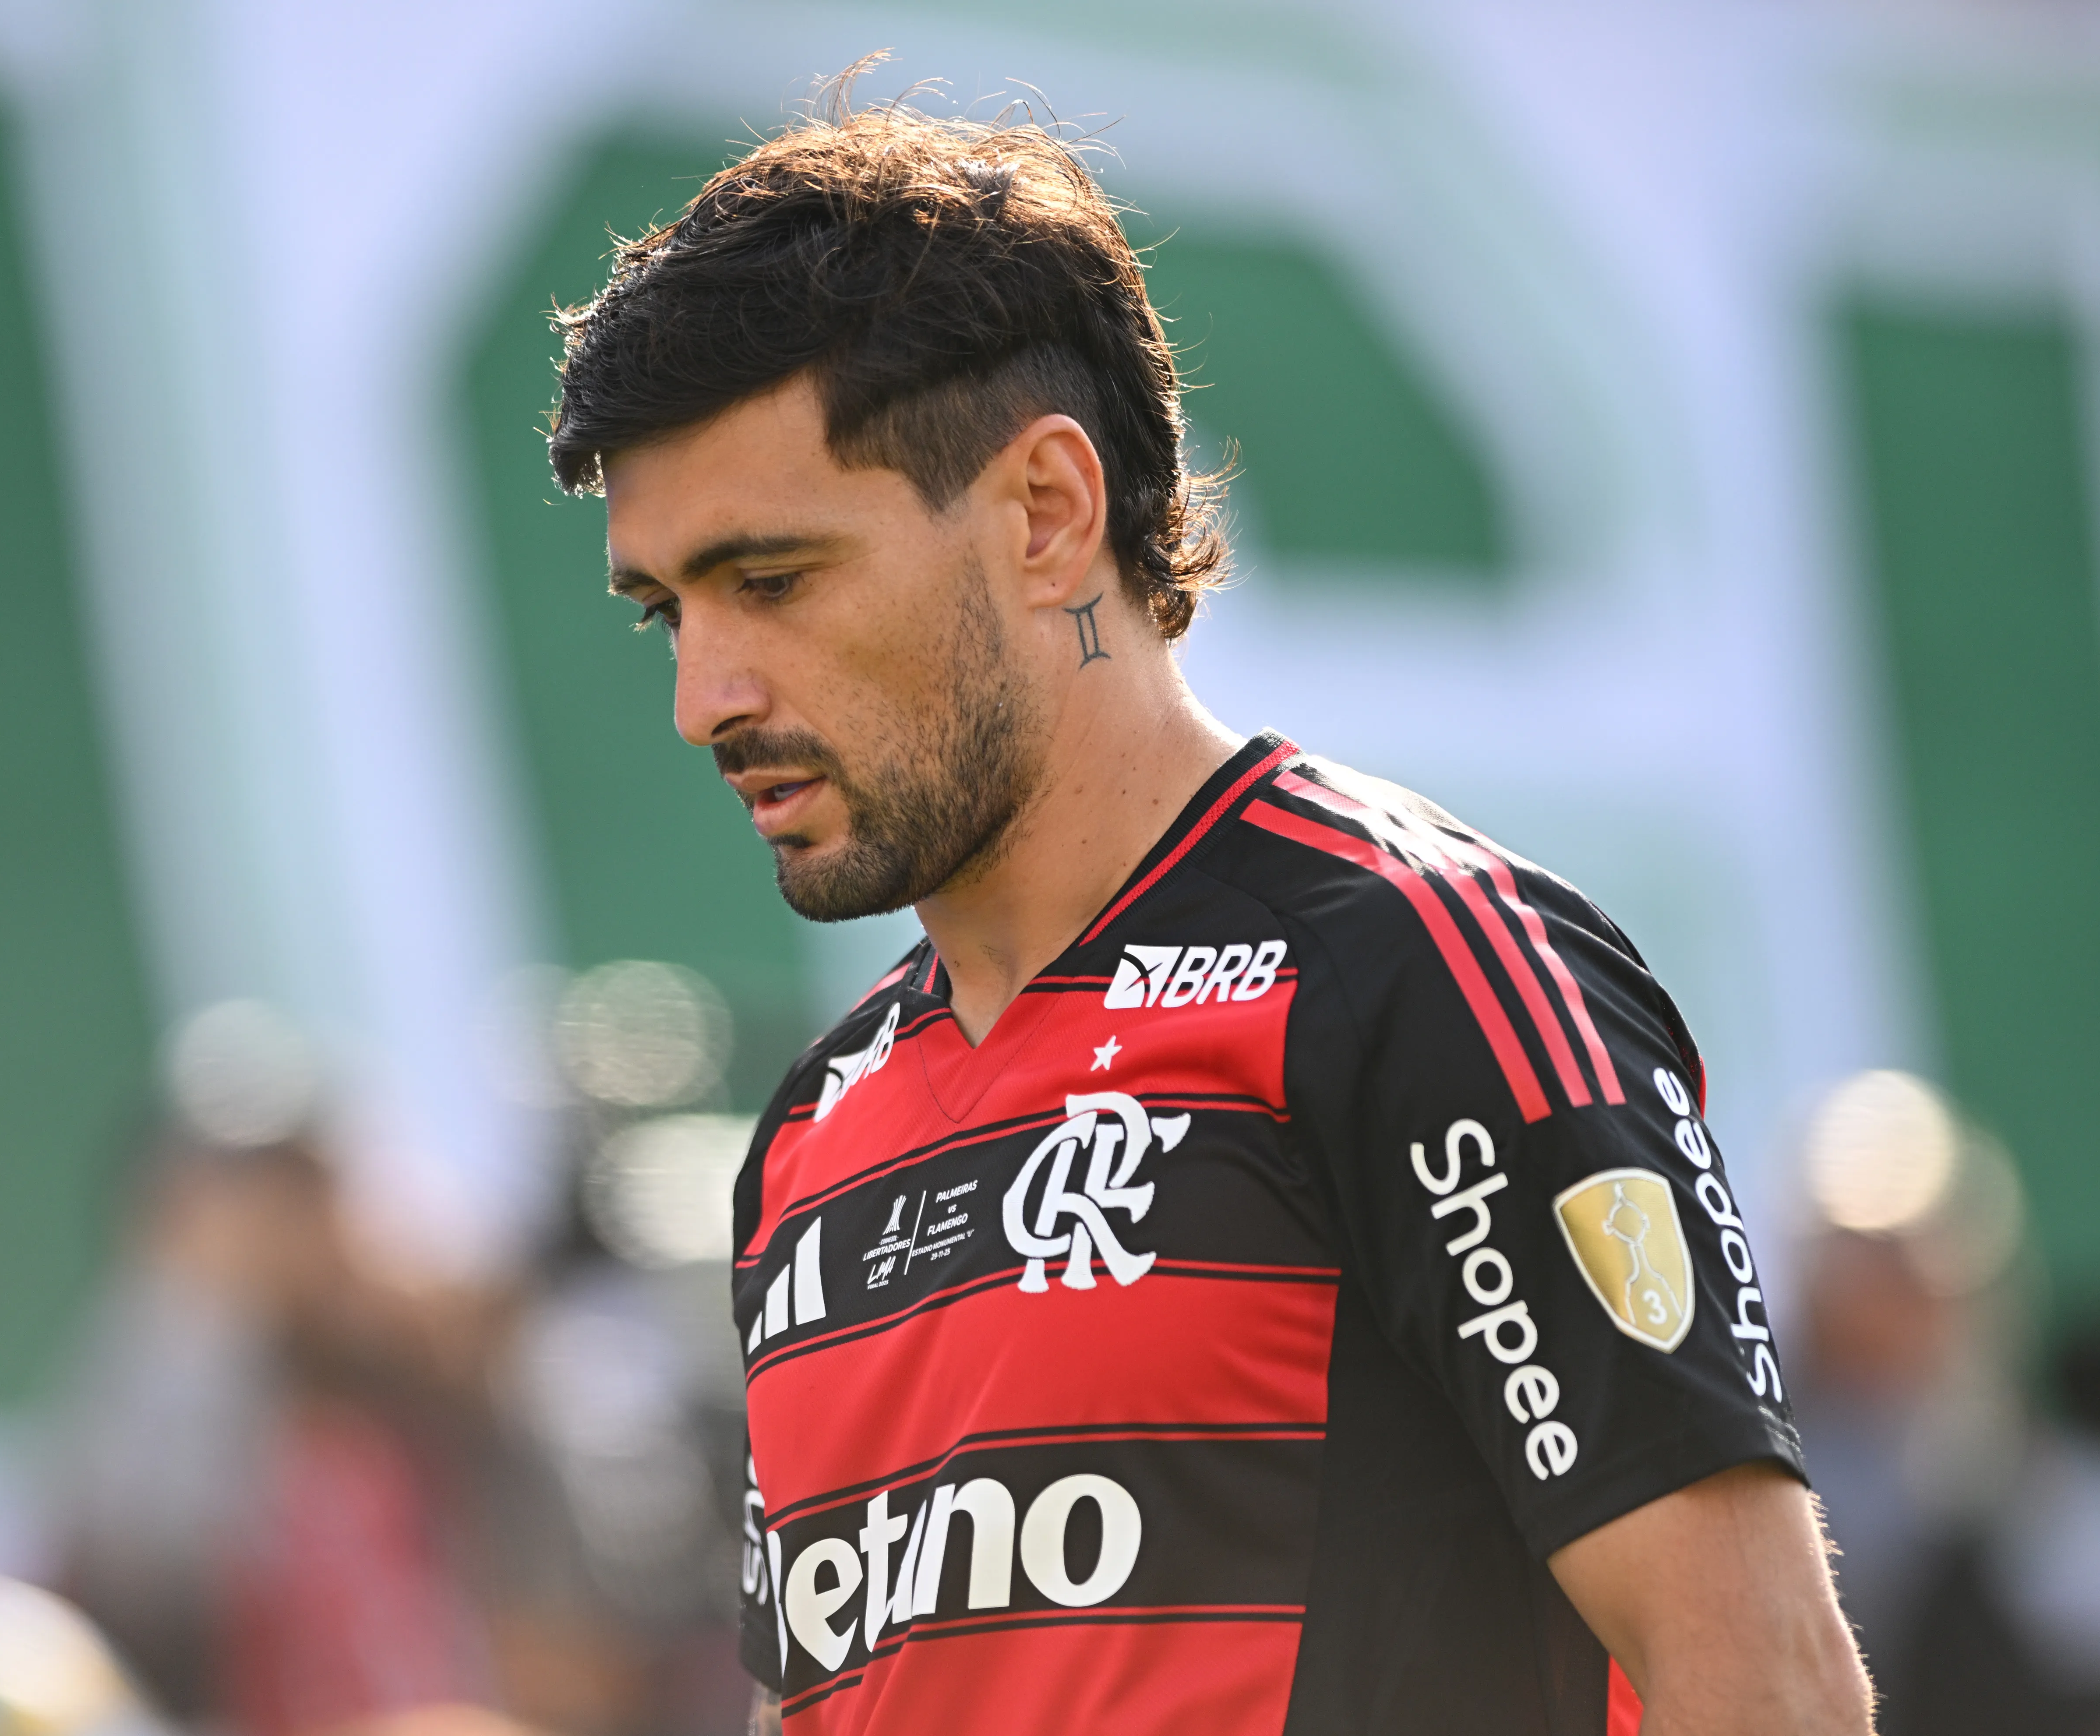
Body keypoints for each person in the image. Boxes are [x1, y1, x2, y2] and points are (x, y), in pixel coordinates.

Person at [544, 76, 1871, 1736]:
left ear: (1046, 512)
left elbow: (1760, 1678)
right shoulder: (814, 1138)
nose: (704, 695)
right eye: (666, 609)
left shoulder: (1417, 969)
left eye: (772, 580)